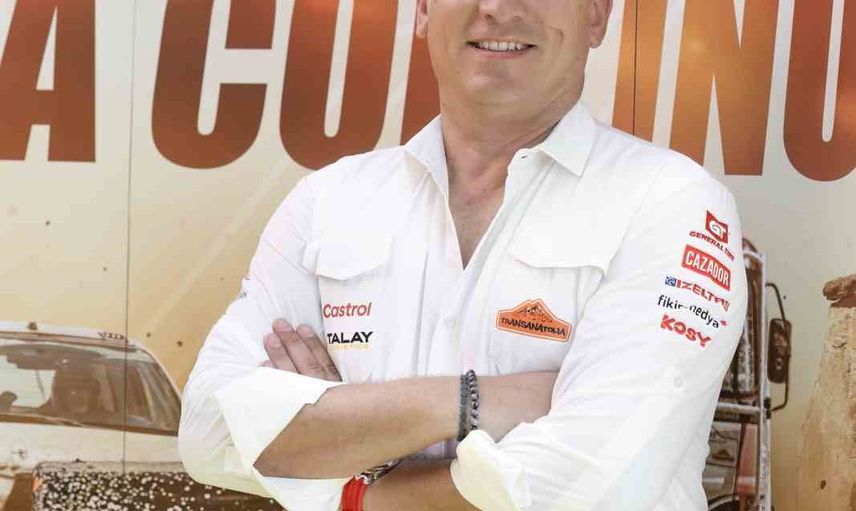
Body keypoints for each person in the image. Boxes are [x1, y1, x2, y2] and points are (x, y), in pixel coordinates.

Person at [178, 1, 748, 510]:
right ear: (424, 9)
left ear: (596, 14)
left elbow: (593, 483)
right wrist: (472, 401)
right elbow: (209, 433)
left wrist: (353, 487)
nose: (496, 8)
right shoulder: (328, 201)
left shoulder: (672, 203)